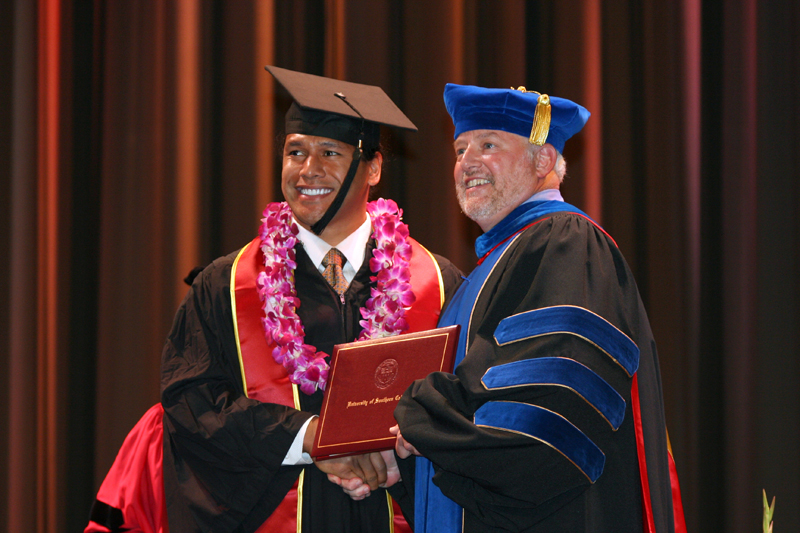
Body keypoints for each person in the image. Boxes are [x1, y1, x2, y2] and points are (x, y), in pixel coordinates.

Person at [85, 67, 461, 533]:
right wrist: (310, 438)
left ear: (375, 168)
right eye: (295, 152)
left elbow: (462, 405)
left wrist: (396, 450)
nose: (308, 170)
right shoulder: (225, 286)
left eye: (329, 152)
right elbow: (192, 403)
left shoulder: (437, 283)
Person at [391, 84, 686, 532]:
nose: (466, 162)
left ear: (543, 161)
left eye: (488, 145)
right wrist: (404, 452)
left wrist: (418, 415)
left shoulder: (565, 241)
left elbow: (544, 411)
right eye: (459, 148)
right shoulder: (491, 266)